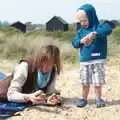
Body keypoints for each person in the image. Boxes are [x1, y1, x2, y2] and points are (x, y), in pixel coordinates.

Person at [72, 4, 112, 108]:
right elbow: (74, 43)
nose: (82, 23)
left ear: (91, 16)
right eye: (80, 21)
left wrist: (96, 33)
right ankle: (84, 99)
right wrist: (80, 41)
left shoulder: (99, 27)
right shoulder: (80, 31)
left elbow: (108, 29)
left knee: (98, 82)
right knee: (85, 82)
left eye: (84, 20)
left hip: (98, 59)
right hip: (85, 61)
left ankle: (99, 98)